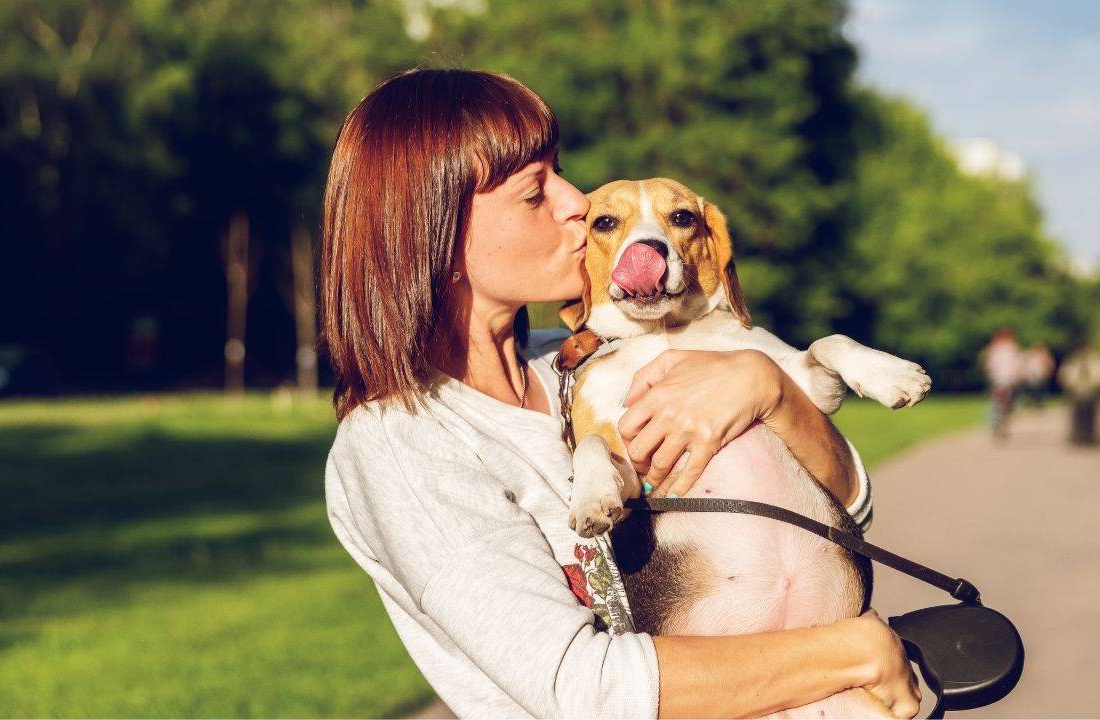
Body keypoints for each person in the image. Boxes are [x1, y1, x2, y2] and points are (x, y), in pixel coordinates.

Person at [319, 69, 919, 719]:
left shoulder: (590, 361)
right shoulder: (404, 443)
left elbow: (847, 515)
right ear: (436, 234)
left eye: (560, 171)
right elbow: (582, 692)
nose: (576, 201)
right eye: (533, 191)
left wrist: (769, 388)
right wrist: (852, 652)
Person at [1057, 342, 1100, 446]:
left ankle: (1091, 436)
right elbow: (1065, 373)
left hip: (1093, 391)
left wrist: (1098, 382)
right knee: (1077, 416)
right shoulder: (1074, 360)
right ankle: (1078, 435)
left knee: (1092, 416)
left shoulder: (1096, 359)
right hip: (1077, 391)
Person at [980, 328, 1022, 439]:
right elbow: (1017, 365)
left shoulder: (994, 348)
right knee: (1005, 404)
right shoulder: (1012, 348)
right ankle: (1000, 423)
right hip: (1006, 380)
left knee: (998, 402)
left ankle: (997, 421)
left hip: (998, 379)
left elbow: (989, 365)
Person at [1020, 342, 1055, 407]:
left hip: (1040, 375)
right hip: (1032, 375)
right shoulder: (1030, 354)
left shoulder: (1043, 355)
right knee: (1034, 390)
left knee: (1039, 390)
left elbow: (1049, 364)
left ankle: (1037, 402)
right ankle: (1034, 402)